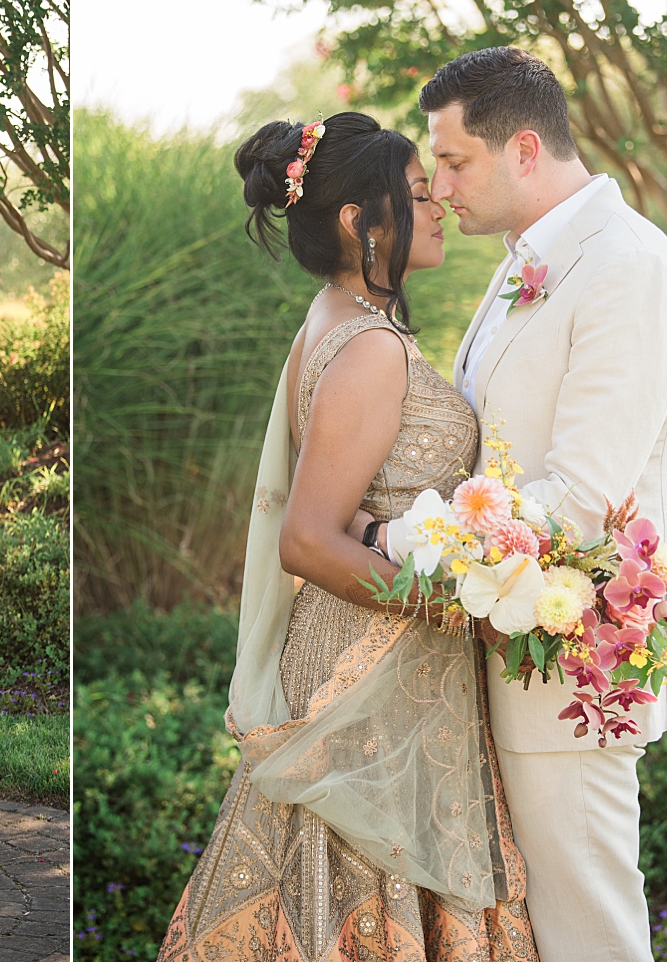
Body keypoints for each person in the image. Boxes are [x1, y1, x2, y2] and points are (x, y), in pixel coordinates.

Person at [158, 113, 537, 961]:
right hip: (362, 678)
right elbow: (305, 538)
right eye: (412, 191)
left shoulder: (335, 317)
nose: (437, 200)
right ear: (356, 221)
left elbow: (343, 506)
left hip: (362, 660)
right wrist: (456, 611)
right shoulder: (367, 346)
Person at [375, 46, 667, 962]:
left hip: (579, 668)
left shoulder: (625, 266)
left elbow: (578, 501)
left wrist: (395, 539)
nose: (435, 189)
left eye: (452, 161)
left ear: (523, 149)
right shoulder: (533, 258)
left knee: (588, 933)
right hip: (514, 656)